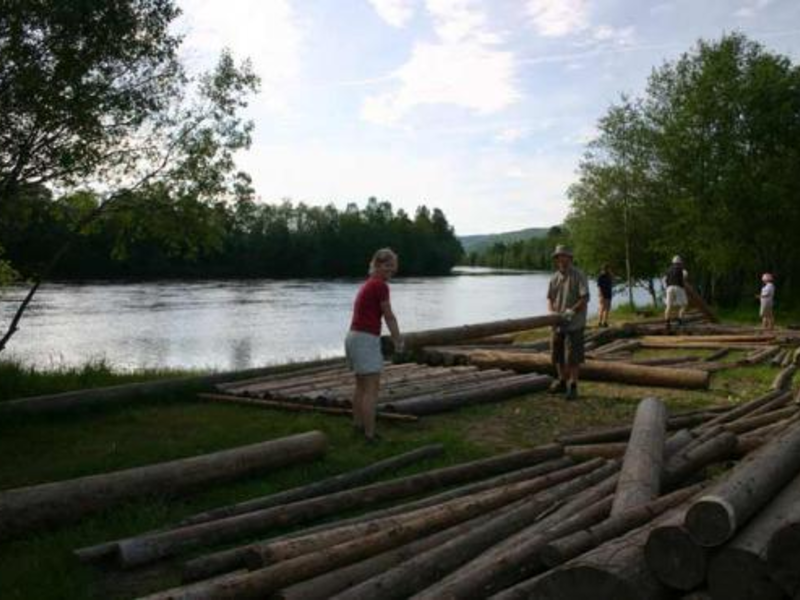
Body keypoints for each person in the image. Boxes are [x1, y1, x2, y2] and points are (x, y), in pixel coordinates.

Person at [345, 248, 402, 442]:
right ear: (376, 265)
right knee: (371, 388)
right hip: (365, 339)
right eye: (387, 266)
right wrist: (398, 340)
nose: (391, 271)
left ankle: (357, 425)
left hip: (353, 336)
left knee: (361, 386)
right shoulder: (380, 286)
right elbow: (389, 316)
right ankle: (370, 435)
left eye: (393, 267)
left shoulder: (369, 284)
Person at [547, 245, 590, 400]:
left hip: (574, 323)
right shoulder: (554, 278)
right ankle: (562, 381)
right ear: (556, 259)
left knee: (573, 357)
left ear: (570, 258)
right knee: (557, 354)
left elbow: (584, 298)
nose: (561, 259)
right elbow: (550, 299)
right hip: (557, 324)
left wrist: (571, 311)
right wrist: (552, 312)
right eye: (558, 256)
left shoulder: (578, 275)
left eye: (564, 256)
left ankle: (573, 386)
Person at [664, 255, 688, 330]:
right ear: (680, 262)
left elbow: (665, 279)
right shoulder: (682, 270)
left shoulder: (668, 270)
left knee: (669, 306)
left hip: (669, 288)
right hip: (678, 287)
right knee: (684, 304)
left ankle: (667, 323)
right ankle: (680, 321)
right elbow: (684, 277)